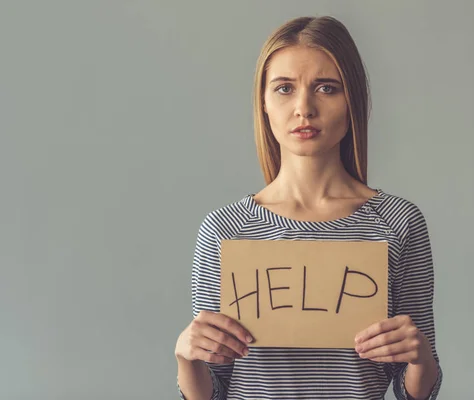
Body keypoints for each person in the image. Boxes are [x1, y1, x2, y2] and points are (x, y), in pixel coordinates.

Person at [175, 15, 443, 400]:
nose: (304, 107)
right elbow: (213, 390)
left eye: (326, 88)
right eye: (284, 88)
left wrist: (420, 358)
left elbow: (413, 392)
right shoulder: (224, 229)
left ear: (353, 100)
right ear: (263, 103)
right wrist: (187, 358)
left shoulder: (399, 223)